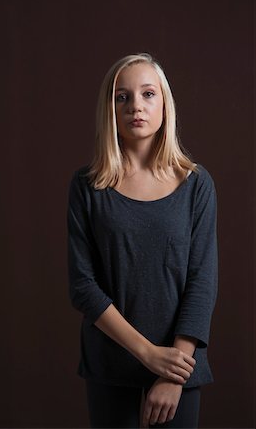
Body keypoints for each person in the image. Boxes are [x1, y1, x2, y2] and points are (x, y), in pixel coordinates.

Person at [67, 53, 218, 428]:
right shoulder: (88, 187)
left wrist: (171, 372)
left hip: (178, 371)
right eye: (123, 97)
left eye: (148, 94)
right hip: (111, 368)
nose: (136, 105)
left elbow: (202, 283)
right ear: (110, 109)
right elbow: (83, 287)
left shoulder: (196, 184)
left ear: (164, 103)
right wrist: (148, 354)